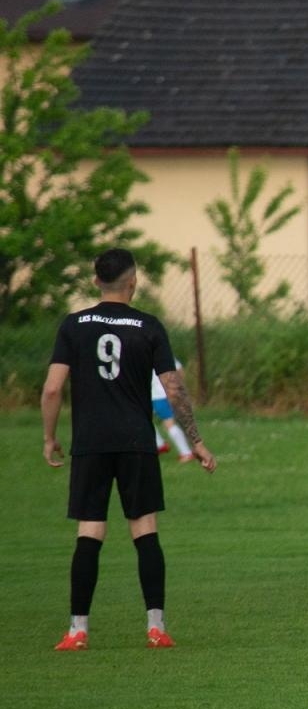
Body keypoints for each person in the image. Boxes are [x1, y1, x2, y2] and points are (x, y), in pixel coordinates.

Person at [42, 248, 218, 651]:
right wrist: (196, 441)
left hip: (90, 442)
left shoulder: (73, 325)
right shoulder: (148, 326)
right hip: (137, 441)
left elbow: (52, 389)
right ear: (133, 282)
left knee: (90, 530)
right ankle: (156, 628)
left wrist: (50, 437)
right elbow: (174, 389)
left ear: (95, 281)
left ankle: (77, 630)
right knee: (144, 529)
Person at [151, 357, 195, 462]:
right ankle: (160, 445)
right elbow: (180, 370)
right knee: (143, 419)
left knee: (169, 423)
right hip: (157, 394)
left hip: (159, 395)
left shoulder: (144, 354)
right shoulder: (164, 353)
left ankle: (186, 453)